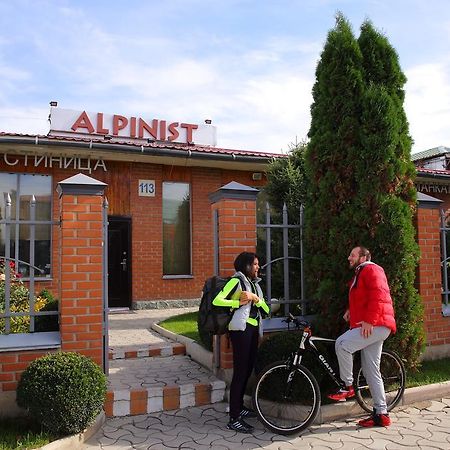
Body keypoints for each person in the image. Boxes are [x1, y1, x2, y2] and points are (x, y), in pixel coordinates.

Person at [327, 246, 396, 427]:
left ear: (364, 257)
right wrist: (352, 311)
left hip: (376, 325)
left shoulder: (372, 269)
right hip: (375, 325)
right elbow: (365, 297)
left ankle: (348, 386)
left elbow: (379, 295)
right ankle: (382, 414)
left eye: (352, 255)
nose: (349, 257)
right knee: (371, 371)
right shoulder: (362, 271)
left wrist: (370, 321)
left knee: (342, 344)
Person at [212, 251, 269, 434]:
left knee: (248, 369)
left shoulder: (255, 285)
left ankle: (240, 407)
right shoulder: (236, 281)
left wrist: (255, 299)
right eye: (255, 264)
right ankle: (234, 418)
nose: (257, 267)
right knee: (240, 372)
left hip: (253, 330)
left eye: (258, 264)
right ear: (246, 266)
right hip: (240, 331)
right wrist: (237, 303)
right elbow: (217, 300)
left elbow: (266, 309)